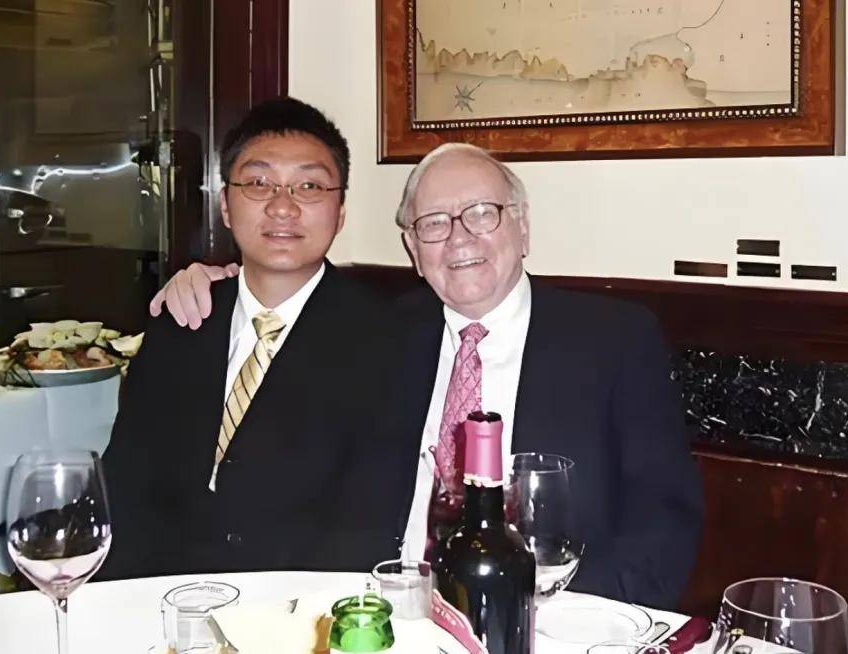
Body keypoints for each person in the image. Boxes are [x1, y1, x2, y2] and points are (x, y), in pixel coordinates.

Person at [152, 144, 702, 609]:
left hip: (552, 617)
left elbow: (664, 522)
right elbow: (277, 299)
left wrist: (564, 623)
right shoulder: (374, 334)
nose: (459, 239)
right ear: (414, 250)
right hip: (386, 612)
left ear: (523, 227)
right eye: (434, 223)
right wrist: (213, 282)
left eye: (482, 213)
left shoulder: (613, 340)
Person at [99, 97, 406, 580]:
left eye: (309, 186)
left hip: (306, 606)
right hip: (163, 597)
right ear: (225, 204)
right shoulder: (181, 321)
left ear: (340, 211)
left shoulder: (388, 339)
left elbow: (369, 520)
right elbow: (125, 488)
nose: (283, 206)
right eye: (259, 183)